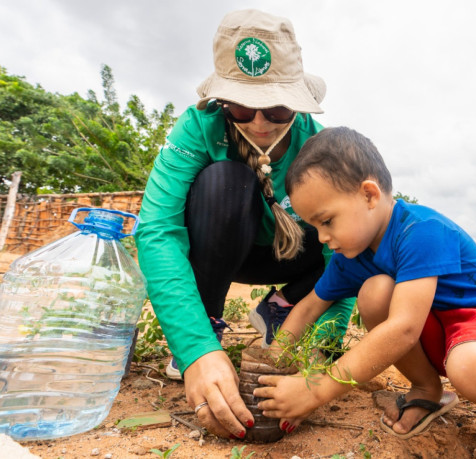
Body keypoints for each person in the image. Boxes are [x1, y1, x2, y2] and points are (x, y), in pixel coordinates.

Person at [254, 127, 476, 459]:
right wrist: (278, 370)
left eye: (326, 221)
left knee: (471, 368)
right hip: (435, 329)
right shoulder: (350, 257)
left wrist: (314, 390)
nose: (322, 238)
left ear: (370, 195)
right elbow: (308, 307)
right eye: (314, 226)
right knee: (375, 292)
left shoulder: (420, 231)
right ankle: (426, 389)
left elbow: (403, 330)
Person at [134, 10, 353, 439]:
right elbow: (158, 230)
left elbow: (346, 255)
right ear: (221, 102)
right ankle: (207, 324)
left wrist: (321, 355)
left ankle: (283, 308)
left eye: (275, 108)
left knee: (343, 233)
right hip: (227, 250)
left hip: (296, 260)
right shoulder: (199, 128)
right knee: (223, 182)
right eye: (240, 107)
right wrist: (194, 348)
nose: (259, 124)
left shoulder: (318, 145)